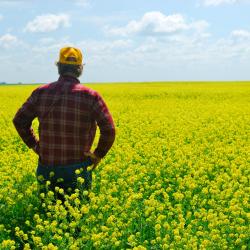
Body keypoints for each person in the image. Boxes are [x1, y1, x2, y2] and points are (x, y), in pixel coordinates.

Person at [13, 47, 116, 201]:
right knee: (77, 219)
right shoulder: (91, 96)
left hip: (47, 167)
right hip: (78, 168)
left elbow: (19, 120)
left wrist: (36, 146)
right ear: (80, 68)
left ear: (59, 66)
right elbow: (109, 130)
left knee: (49, 214)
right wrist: (98, 155)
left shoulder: (40, 92)